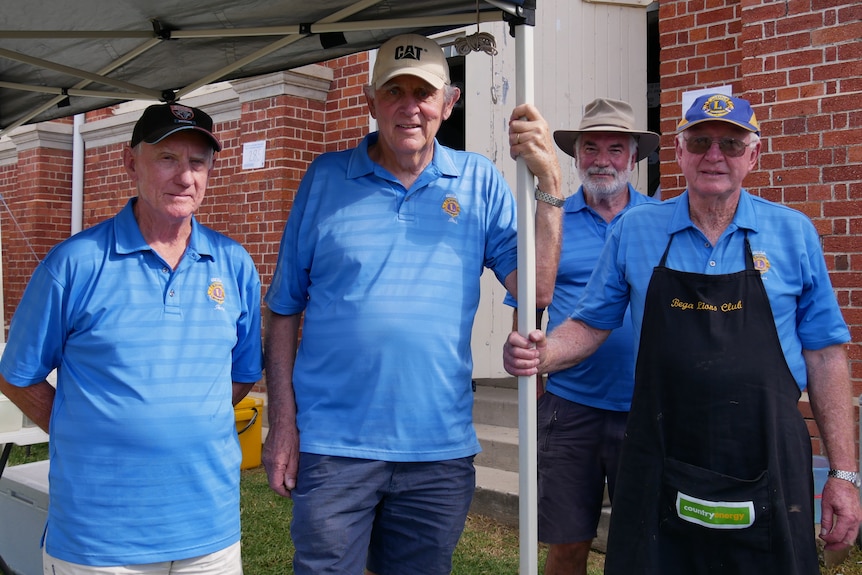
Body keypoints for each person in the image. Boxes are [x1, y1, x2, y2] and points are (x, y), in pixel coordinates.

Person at [503, 93, 862, 574]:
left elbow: (826, 356)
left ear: (753, 156)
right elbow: (591, 323)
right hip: (660, 447)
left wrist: (842, 472)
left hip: (766, 451)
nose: (714, 155)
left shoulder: (793, 233)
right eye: (700, 141)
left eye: (731, 144)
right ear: (679, 151)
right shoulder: (636, 229)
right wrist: (543, 354)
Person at [262, 33, 563, 575]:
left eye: (423, 93)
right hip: (334, 447)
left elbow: (535, 292)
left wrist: (550, 185)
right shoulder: (325, 179)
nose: (409, 107)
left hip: (437, 451)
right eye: (393, 91)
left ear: (449, 104)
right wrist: (283, 420)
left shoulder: (479, 182)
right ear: (369, 100)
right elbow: (284, 307)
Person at [0, 103, 263, 574]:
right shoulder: (74, 264)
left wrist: (185, 421)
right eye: (167, 158)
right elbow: (16, 374)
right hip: (99, 537)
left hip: (209, 531)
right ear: (130, 163)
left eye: (197, 162)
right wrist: (77, 427)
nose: (184, 176)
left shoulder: (234, 263)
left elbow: (242, 373)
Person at [504, 98, 658, 575]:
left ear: (633, 157)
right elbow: (526, 319)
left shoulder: (662, 223)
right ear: (575, 156)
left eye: (616, 148)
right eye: (590, 147)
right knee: (568, 545)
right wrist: (535, 400)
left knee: (643, 545)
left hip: (647, 410)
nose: (602, 159)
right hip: (570, 411)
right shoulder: (552, 222)